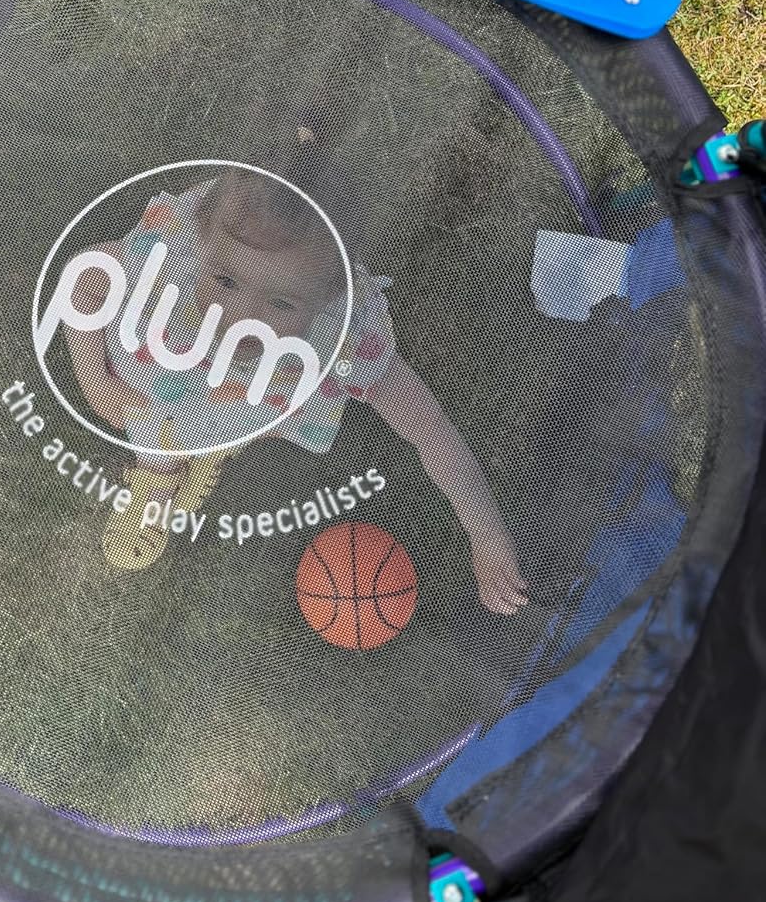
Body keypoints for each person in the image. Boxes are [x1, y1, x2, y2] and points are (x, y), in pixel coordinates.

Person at [61, 137, 527, 613]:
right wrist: (98, 382)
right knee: (153, 416)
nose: (242, 318)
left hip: (246, 401)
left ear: (330, 297)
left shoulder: (345, 335)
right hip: (157, 385)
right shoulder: (172, 257)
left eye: (282, 303)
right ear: (203, 242)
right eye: (226, 281)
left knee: (219, 415)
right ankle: (159, 465)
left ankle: (211, 441)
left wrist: (486, 534)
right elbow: (85, 275)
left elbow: (430, 430)